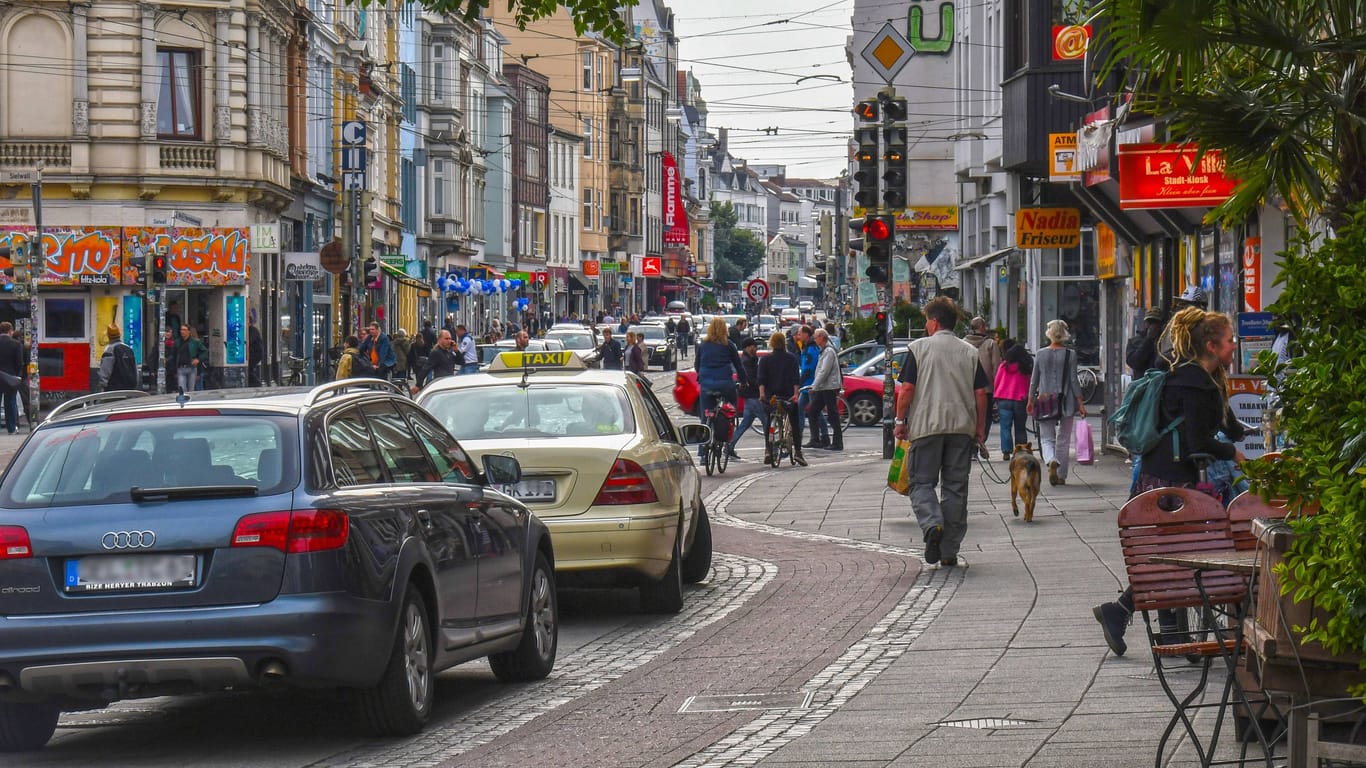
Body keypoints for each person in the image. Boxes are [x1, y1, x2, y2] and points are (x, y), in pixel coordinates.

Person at [1093, 307, 1246, 656]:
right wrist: (1232, 452)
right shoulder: (1198, 384)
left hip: (1155, 474)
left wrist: (1236, 432)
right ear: (1211, 345)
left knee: (1168, 555)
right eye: (1229, 340)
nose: (1233, 346)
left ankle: (1168, 632)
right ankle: (1129, 615)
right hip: (1174, 480)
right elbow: (1199, 442)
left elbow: (1224, 419)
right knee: (1178, 556)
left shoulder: (1184, 373)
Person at [892, 296, 989, 568]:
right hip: (962, 428)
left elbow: (907, 389)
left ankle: (932, 524)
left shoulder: (919, 348)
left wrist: (900, 420)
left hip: (926, 427)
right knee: (955, 488)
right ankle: (949, 550)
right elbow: (980, 392)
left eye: (926, 320)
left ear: (933, 322)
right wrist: (979, 428)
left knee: (921, 482)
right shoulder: (969, 351)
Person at [1027, 319, 1087, 486]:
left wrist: (1030, 399)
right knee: (1064, 439)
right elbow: (1074, 381)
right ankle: (1060, 475)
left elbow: (1034, 379)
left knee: (1047, 438)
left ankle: (1051, 459)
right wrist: (1080, 403)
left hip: (1045, 401)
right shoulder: (1071, 354)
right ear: (1064, 334)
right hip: (1066, 401)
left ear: (1049, 334)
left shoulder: (1040, 354)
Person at [694, 317, 747, 460]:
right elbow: (739, 365)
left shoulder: (703, 345)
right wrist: (744, 381)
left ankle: (703, 453)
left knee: (705, 417)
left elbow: (697, 364)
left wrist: (701, 375)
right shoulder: (729, 345)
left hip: (706, 383)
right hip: (725, 383)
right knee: (732, 407)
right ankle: (728, 431)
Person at [757, 330, 805, 466]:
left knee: (768, 421)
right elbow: (796, 378)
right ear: (784, 343)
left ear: (771, 343)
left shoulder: (765, 360)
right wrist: (796, 394)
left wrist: (762, 394)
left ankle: (767, 450)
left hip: (770, 397)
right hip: (787, 396)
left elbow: (761, 379)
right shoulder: (791, 359)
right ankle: (798, 452)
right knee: (795, 423)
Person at [993, 340, 1032, 461]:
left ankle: (1006, 451)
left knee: (1005, 427)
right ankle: (1021, 450)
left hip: (1004, 399)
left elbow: (997, 381)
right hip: (1020, 400)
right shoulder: (1025, 368)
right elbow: (1029, 384)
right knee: (1020, 427)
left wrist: (996, 395)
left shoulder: (1004, 365)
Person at [810, 328, 843, 452]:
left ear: (822, 338)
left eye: (816, 337)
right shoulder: (823, 350)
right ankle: (816, 439)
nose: (814, 339)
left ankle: (837, 442)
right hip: (824, 386)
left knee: (832, 414)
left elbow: (824, 371)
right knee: (813, 411)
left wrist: (815, 386)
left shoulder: (828, 351)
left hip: (829, 387)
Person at [729, 336, 764, 455]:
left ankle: (730, 445)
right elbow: (750, 379)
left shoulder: (749, 359)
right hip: (753, 395)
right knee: (766, 420)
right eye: (755, 346)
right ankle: (772, 449)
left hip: (749, 395)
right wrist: (761, 386)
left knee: (746, 423)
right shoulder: (747, 361)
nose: (756, 349)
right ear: (749, 347)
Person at [794, 325, 826, 449]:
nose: (798, 336)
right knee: (800, 409)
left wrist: (799, 383)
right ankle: (801, 435)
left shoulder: (811, 349)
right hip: (807, 386)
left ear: (807, 335)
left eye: (800, 334)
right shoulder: (806, 348)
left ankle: (822, 437)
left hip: (811, 385)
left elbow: (809, 368)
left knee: (815, 412)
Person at [964, 317, 1001, 420]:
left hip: (967, 386)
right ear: (981, 327)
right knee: (986, 417)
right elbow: (996, 366)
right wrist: (996, 387)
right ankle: (983, 435)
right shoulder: (991, 344)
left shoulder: (963, 343)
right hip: (987, 388)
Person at [1126, 307, 1166, 376]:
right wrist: (1149, 339)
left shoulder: (1166, 340)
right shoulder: (1134, 341)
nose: (1151, 326)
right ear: (1145, 323)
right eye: (1149, 322)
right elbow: (1134, 362)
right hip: (1143, 382)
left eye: (1155, 323)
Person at [99, 324, 139, 392]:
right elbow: (135, 371)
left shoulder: (110, 350)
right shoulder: (128, 349)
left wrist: (102, 389)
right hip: (129, 390)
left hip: (114, 391)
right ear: (119, 335)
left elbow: (105, 373)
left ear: (108, 336)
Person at [0, 322, 24, 433]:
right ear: (10, 331)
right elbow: (19, 363)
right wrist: (18, 376)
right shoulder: (15, 344)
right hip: (10, 377)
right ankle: (12, 428)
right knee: (10, 403)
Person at [173, 324, 209, 393]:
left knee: (191, 390)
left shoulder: (195, 342)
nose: (182, 331)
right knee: (182, 389)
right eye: (181, 330)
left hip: (192, 368)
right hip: (181, 368)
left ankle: (190, 402)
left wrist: (198, 359)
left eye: (184, 330)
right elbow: (174, 355)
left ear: (188, 331)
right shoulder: (177, 342)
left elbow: (204, 351)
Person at [247, 317, 264, 387]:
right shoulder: (250, 330)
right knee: (249, 368)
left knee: (249, 368)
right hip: (254, 353)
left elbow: (250, 340)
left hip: (255, 354)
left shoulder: (253, 330)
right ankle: (254, 383)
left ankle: (257, 383)